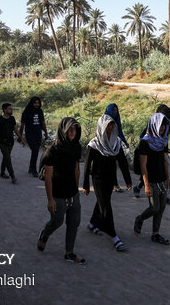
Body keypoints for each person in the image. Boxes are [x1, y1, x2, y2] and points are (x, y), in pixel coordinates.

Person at [37, 117, 85, 264]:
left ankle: (69, 252)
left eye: (75, 129)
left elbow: (76, 168)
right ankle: (45, 234)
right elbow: (48, 177)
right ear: (63, 130)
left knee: (74, 222)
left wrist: (76, 189)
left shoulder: (76, 147)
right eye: (70, 129)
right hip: (57, 194)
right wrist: (50, 200)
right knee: (57, 221)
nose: (72, 132)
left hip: (72, 193)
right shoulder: (53, 151)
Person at [83, 114, 132, 251]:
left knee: (102, 202)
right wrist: (86, 185)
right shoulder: (94, 144)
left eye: (112, 125)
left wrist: (128, 180)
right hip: (98, 179)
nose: (110, 127)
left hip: (110, 179)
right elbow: (87, 165)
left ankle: (92, 224)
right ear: (102, 127)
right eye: (108, 125)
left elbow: (122, 162)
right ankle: (114, 236)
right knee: (106, 206)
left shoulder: (116, 142)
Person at [133, 113, 170, 245]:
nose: (162, 128)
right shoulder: (146, 142)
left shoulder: (163, 140)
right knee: (154, 208)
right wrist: (146, 184)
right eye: (160, 125)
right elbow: (143, 165)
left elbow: (166, 161)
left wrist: (168, 179)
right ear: (154, 124)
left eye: (164, 126)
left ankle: (155, 234)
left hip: (161, 178)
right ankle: (140, 219)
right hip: (152, 180)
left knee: (161, 208)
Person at [134, 104, 170, 204]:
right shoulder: (153, 123)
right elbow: (147, 138)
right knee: (153, 172)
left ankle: (165, 193)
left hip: (161, 149)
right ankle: (141, 188)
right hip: (151, 150)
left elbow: (169, 134)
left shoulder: (167, 122)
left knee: (163, 169)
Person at [0, 103, 24, 183]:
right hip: (2, 142)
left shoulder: (12, 119)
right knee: (8, 158)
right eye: (10, 109)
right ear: (5, 110)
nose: (11, 110)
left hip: (10, 142)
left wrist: (21, 138)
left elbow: (15, 130)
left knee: (6, 157)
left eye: (11, 109)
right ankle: (12, 175)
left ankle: (2, 173)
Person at [19, 96, 49, 176]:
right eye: (35, 103)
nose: (37, 104)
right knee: (35, 150)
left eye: (38, 103)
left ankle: (30, 168)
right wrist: (20, 136)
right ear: (32, 103)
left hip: (38, 134)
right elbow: (22, 125)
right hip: (29, 134)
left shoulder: (40, 111)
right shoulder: (26, 112)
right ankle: (34, 170)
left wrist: (46, 133)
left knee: (35, 151)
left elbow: (42, 123)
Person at [104, 103, 130, 193]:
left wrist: (125, 141)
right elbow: (100, 134)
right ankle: (115, 185)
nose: (115, 112)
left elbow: (120, 132)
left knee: (123, 162)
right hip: (108, 147)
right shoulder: (104, 120)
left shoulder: (116, 119)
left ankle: (128, 183)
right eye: (113, 110)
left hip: (117, 144)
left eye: (116, 110)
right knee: (112, 166)